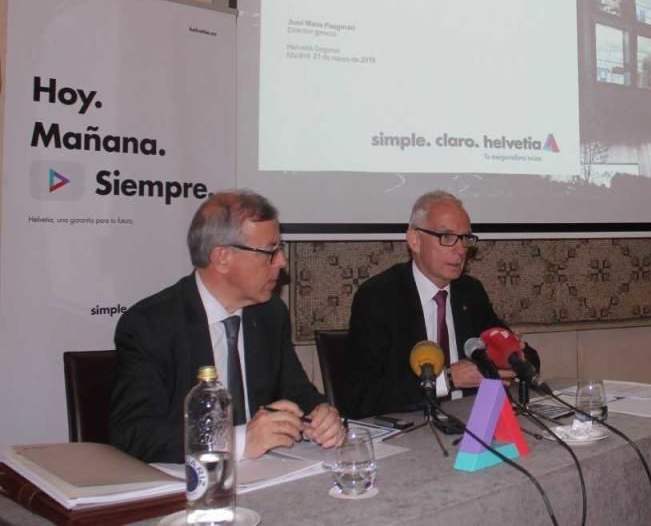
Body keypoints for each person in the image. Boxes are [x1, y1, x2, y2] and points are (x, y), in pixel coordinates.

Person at [109, 190, 344, 463]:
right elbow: (134, 433)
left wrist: (320, 415)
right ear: (222, 258)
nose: (282, 261)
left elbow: (295, 391)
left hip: (267, 473)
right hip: (190, 481)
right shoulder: (151, 324)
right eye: (270, 251)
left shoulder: (270, 313)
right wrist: (237, 441)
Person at [339, 190, 539, 419]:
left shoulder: (469, 292)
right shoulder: (379, 297)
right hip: (413, 427)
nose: (461, 250)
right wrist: (447, 379)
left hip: (469, 419)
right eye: (447, 237)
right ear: (415, 240)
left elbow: (530, 359)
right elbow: (360, 397)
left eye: (465, 238)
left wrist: (513, 357)